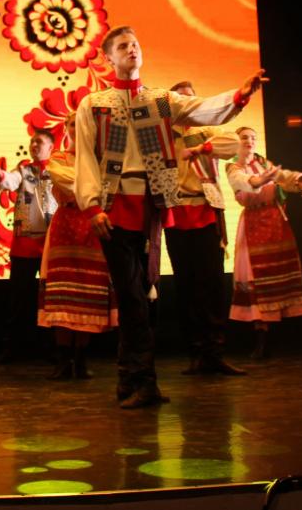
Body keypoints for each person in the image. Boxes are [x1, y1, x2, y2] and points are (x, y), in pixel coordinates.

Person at [74, 26, 266, 409]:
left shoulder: (159, 100)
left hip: (151, 209)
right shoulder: (94, 104)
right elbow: (85, 157)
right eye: (124, 46)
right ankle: (137, 379)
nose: (132, 49)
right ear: (108, 57)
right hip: (114, 208)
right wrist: (92, 205)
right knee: (130, 297)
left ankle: (135, 381)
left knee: (144, 297)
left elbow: (204, 109)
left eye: (136, 44)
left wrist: (240, 95)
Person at [166, 80, 245, 376]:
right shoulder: (165, 133)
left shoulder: (209, 131)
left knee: (211, 284)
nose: (188, 104)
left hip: (206, 208)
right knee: (186, 285)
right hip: (176, 210)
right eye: (182, 99)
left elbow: (233, 144)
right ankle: (195, 351)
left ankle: (215, 351)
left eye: (192, 98)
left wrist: (201, 148)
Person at [37, 111, 118, 379]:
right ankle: (63, 359)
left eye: (80, 124)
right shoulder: (59, 158)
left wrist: (92, 187)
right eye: (72, 124)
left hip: (91, 224)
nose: (76, 128)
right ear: (66, 127)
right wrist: (91, 187)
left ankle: (81, 359)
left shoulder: (98, 158)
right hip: (66, 227)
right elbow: (73, 185)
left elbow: (102, 187)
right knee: (63, 290)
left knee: (88, 289)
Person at [225, 127, 302, 359]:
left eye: (253, 138)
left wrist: (300, 180)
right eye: (244, 138)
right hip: (254, 222)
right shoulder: (233, 166)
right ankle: (261, 337)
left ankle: (278, 338)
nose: (250, 141)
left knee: (277, 273)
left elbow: (283, 178)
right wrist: (259, 180)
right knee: (256, 276)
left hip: (275, 220)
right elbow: (243, 183)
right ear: (236, 142)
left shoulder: (263, 161)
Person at [0, 128, 57, 362]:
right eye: (32, 142)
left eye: (39, 142)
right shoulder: (24, 169)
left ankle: (52, 349)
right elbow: (8, 181)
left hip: (51, 245)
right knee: (19, 298)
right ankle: (13, 347)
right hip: (25, 244)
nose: (34, 145)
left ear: (51, 146)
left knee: (50, 299)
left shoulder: (60, 169)